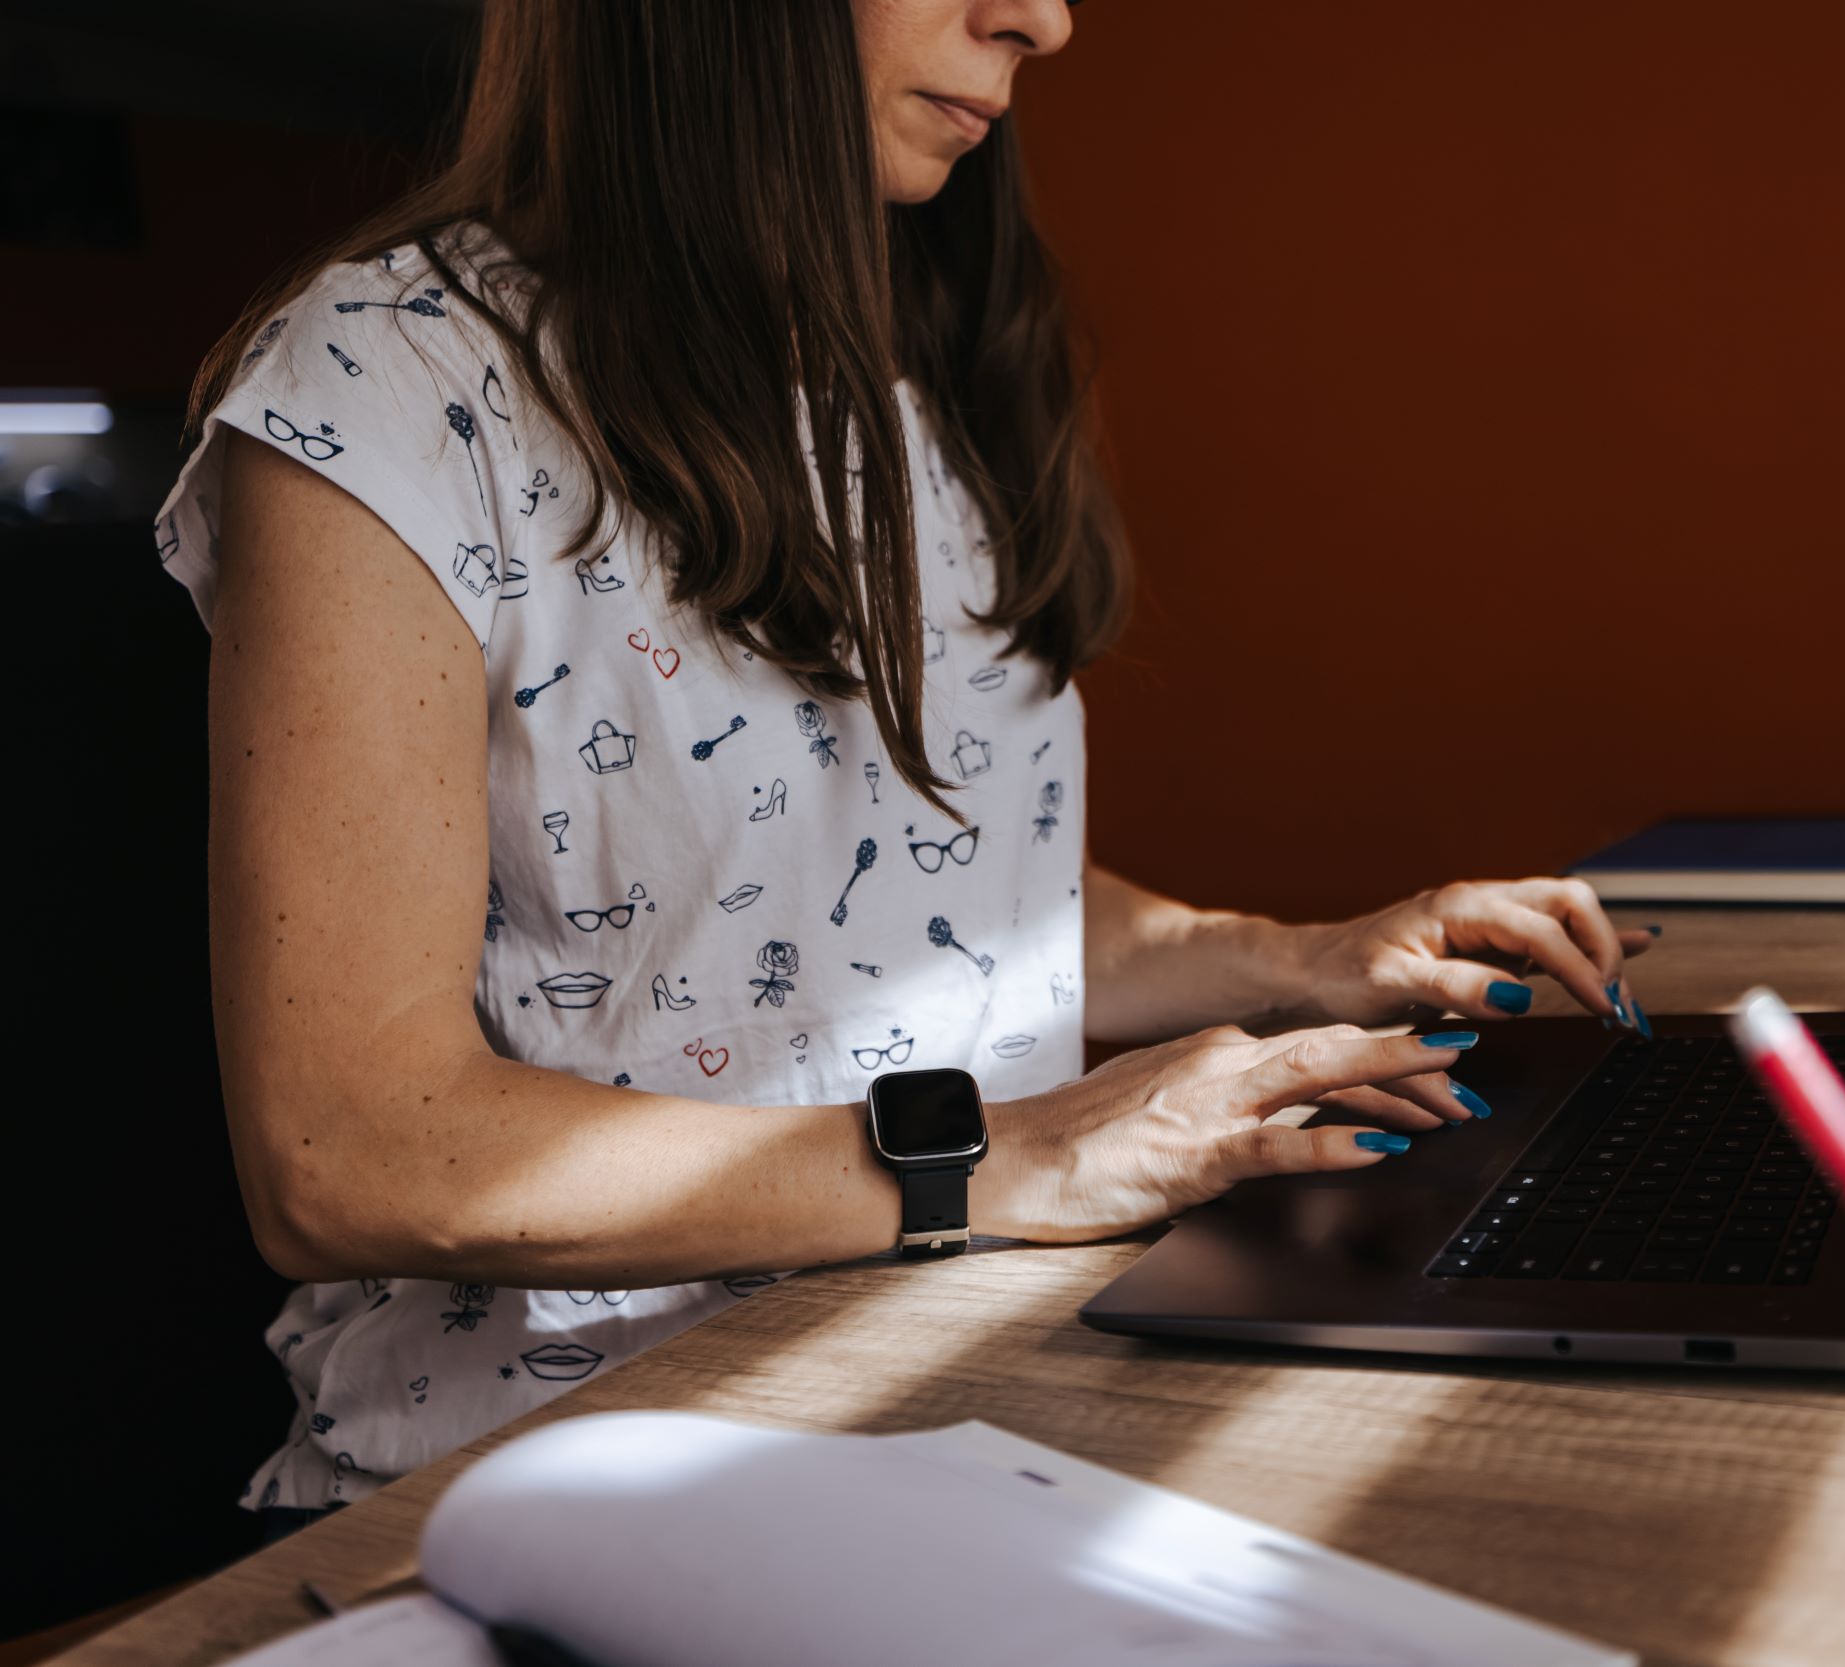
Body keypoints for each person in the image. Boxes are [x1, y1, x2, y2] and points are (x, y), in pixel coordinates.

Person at [158, 0, 1654, 1524]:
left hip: (959, 1397)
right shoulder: (385, 386)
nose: (1046, 21)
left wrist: (1291, 956)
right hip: (547, 1504)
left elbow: (912, 905)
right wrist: (1009, 1161)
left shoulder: (892, 382)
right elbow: (344, 1149)